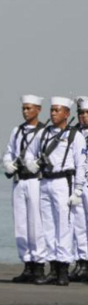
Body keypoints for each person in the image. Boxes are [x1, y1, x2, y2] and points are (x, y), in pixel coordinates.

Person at [25, 96, 86, 286]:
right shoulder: (43, 133)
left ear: (66, 114)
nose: (53, 114)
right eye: (52, 110)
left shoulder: (74, 136)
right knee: (48, 228)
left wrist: (77, 190)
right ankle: (52, 268)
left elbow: (81, 165)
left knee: (64, 227)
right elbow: (29, 152)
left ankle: (62, 270)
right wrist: (32, 163)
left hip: (63, 182)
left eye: (57, 110)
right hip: (45, 182)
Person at [2, 95, 47, 283]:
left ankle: (39, 265)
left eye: (29, 108)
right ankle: (27, 263)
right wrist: (7, 164)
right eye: (24, 108)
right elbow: (9, 152)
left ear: (38, 109)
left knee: (36, 224)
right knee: (20, 225)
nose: (25, 111)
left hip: (36, 181)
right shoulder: (17, 131)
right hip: (19, 181)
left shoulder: (45, 131)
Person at [70, 96, 88, 282]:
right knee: (79, 225)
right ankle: (82, 263)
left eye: (86, 113)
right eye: (80, 113)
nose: (83, 116)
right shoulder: (74, 134)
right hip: (79, 185)